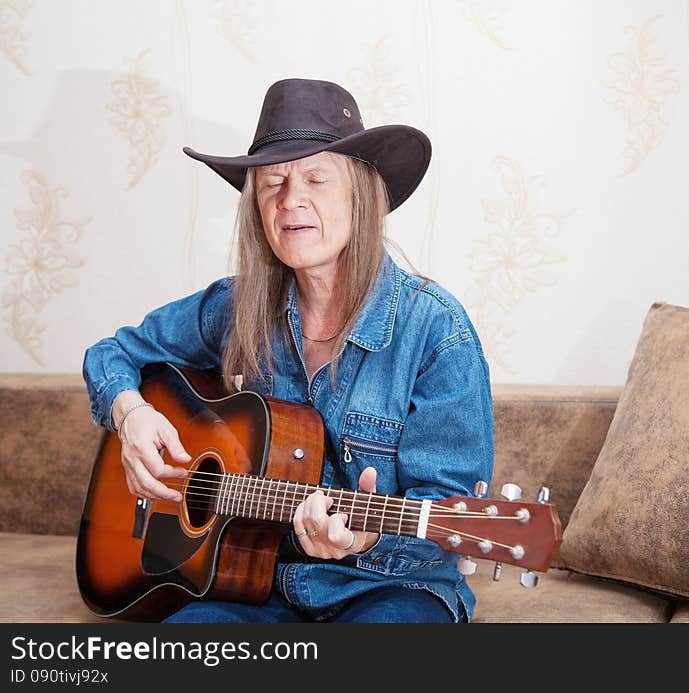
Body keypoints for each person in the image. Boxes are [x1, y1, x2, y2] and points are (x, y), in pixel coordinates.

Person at [82, 78, 494, 623]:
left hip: (394, 591)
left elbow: (446, 516)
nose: (291, 199)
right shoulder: (235, 306)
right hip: (257, 586)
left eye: (316, 178)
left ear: (360, 195)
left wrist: (364, 541)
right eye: (273, 181)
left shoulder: (438, 332)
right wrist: (130, 415)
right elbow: (111, 354)